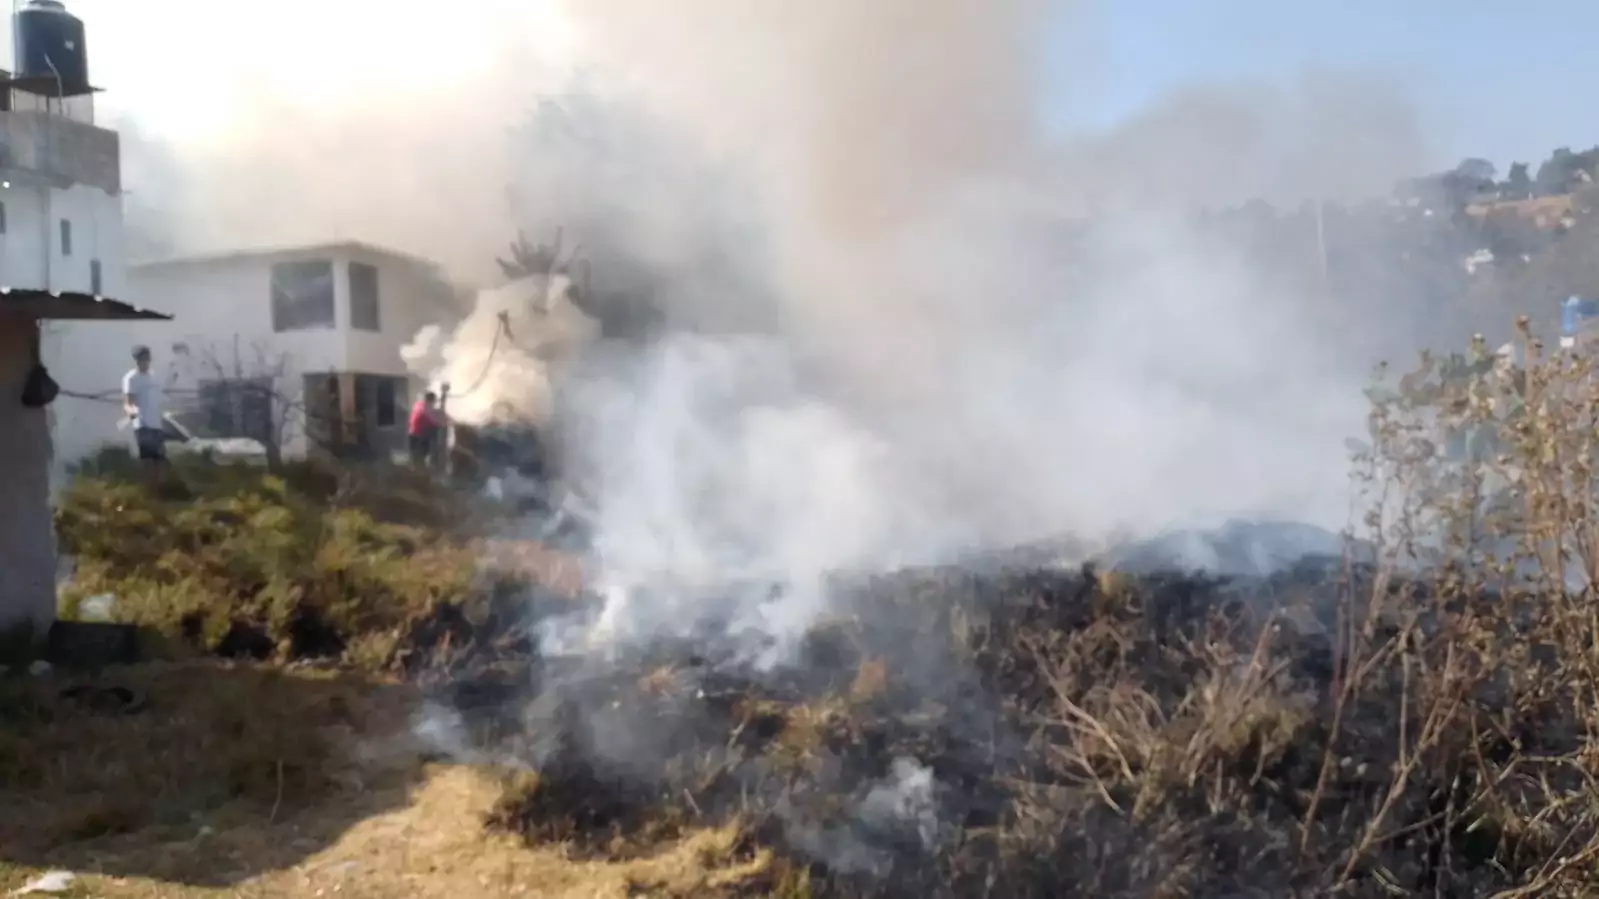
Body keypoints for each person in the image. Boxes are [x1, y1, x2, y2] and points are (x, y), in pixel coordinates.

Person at [122, 345, 166, 486]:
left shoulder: (154, 377)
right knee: (148, 462)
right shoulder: (131, 378)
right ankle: (148, 489)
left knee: (160, 460)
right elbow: (128, 403)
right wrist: (131, 411)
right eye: (141, 360)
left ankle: (160, 489)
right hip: (142, 425)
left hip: (156, 425)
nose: (144, 362)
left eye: (146, 359)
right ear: (136, 361)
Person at [407, 387, 449, 470]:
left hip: (412, 436)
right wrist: (444, 395)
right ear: (432, 401)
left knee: (415, 460)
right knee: (420, 461)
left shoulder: (418, 405)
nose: (434, 403)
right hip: (420, 438)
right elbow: (439, 416)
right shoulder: (428, 410)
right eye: (434, 401)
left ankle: (417, 473)